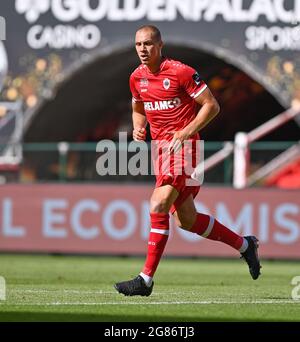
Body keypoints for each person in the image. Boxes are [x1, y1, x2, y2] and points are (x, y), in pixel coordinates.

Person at [114, 25, 261, 297]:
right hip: (162, 151)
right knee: (187, 221)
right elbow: (138, 106)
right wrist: (138, 127)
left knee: (158, 203)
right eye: (138, 45)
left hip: (186, 148)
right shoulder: (136, 78)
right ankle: (245, 245)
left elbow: (212, 105)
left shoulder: (181, 72)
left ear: (160, 45)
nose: (142, 50)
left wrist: (185, 132)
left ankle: (145, 279)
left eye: (148, 44)